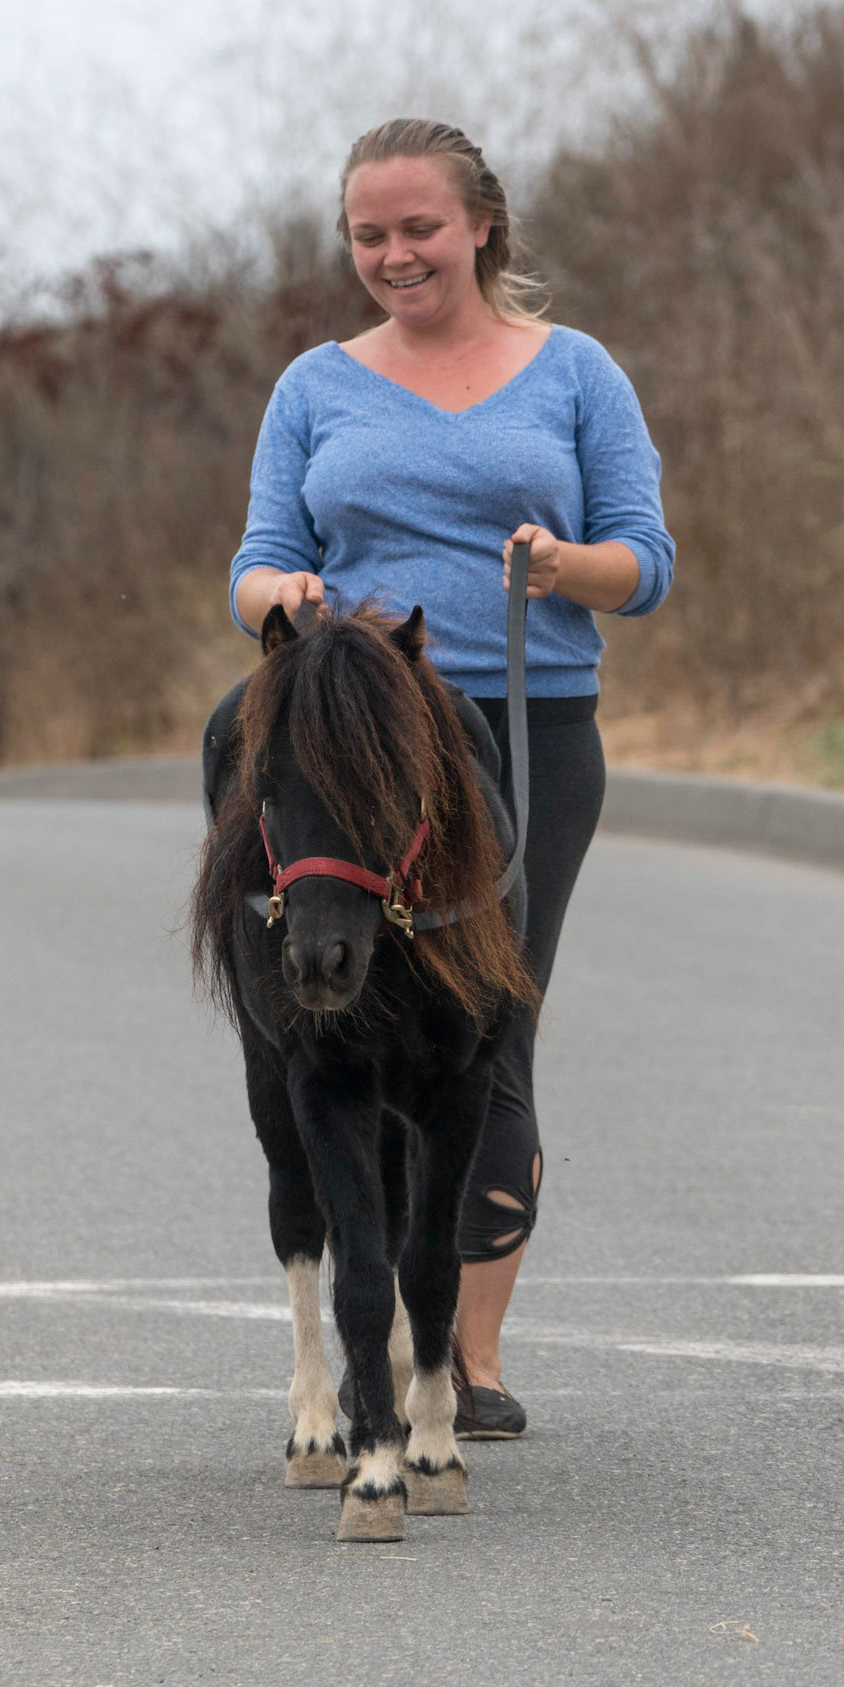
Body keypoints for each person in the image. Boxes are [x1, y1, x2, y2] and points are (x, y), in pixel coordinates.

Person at [228, 117, 674, 1437]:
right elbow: (256, 559)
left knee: (487, 1030)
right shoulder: (314, 384)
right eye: (368, 235)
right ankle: (369, 1310)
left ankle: (463, 1357)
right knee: (340, 1011)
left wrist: (563, 566)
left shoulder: (575, 371)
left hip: (525, 727)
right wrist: (284, 597)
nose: (394, 254)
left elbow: (644, 562)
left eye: (418, 227)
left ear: (480, 223)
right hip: (360, 734)